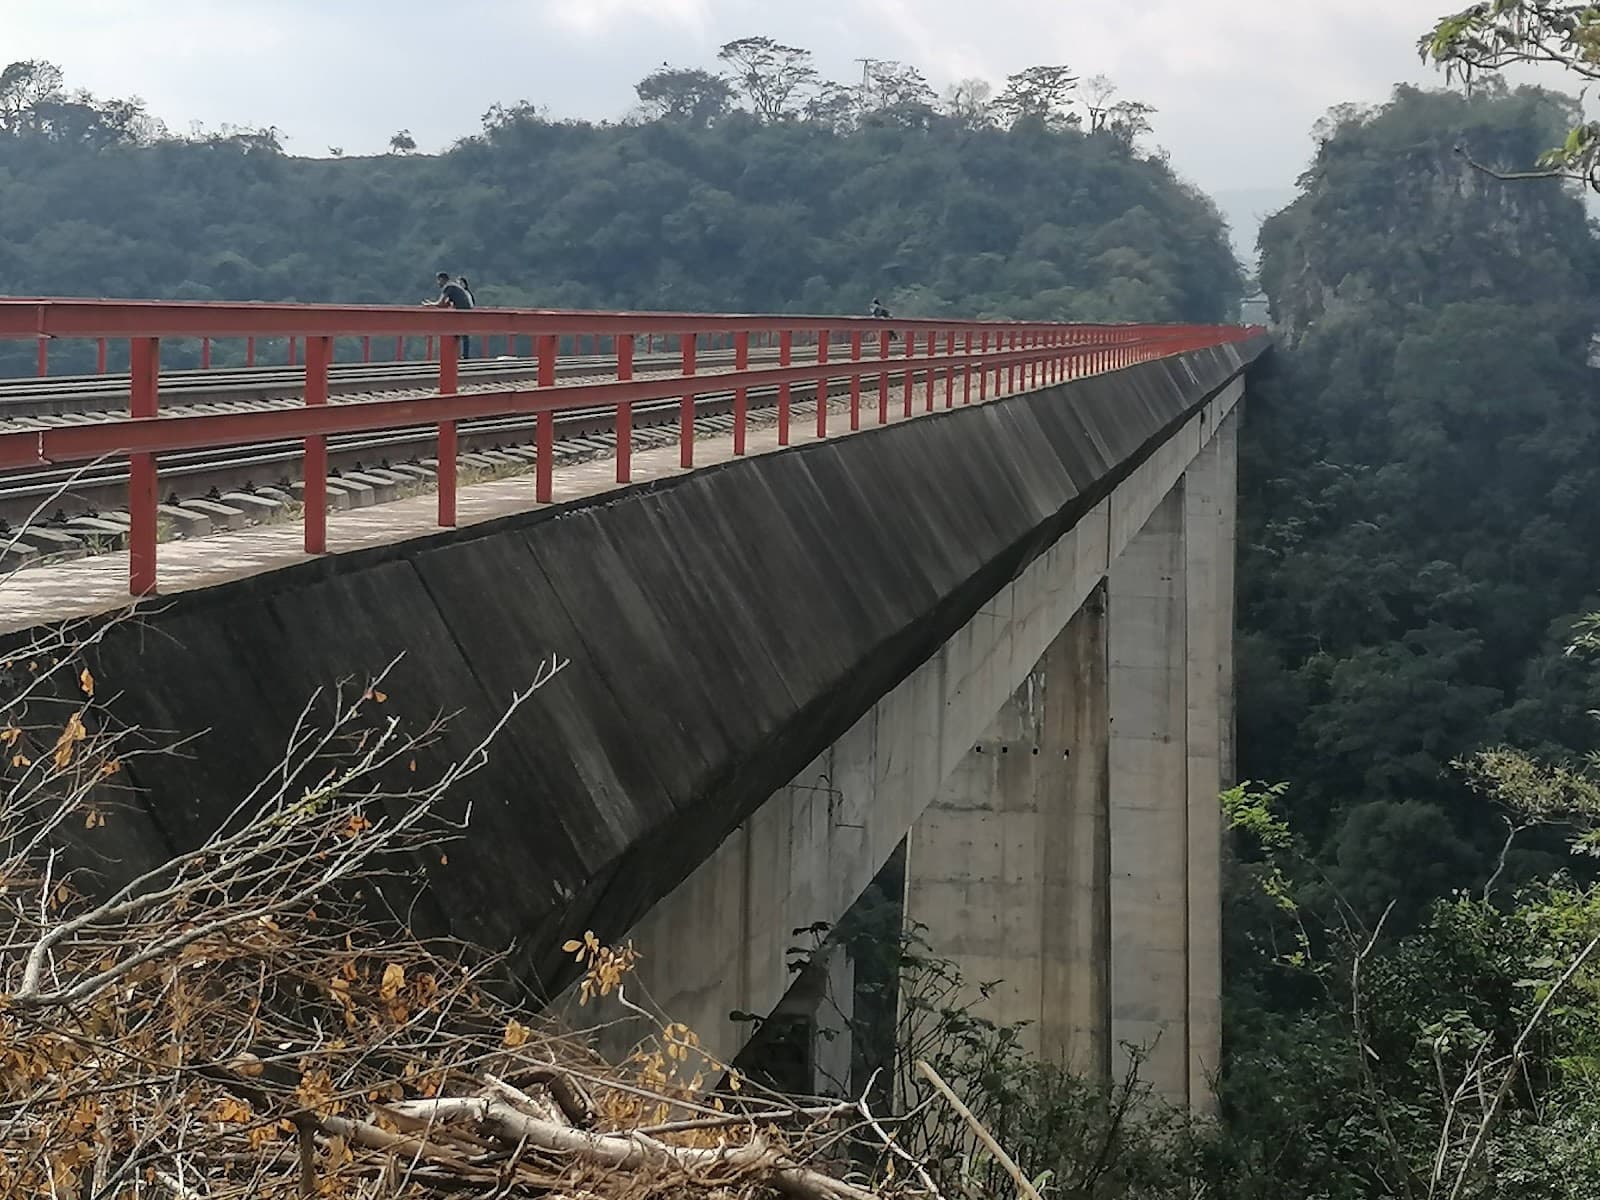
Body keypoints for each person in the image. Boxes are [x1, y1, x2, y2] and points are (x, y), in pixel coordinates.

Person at [424, 271, 473, 359]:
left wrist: (431, 304)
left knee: (455, 332)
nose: (438, 283)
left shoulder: (448, 287)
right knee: (460, 333)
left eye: (438, 281)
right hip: (466, 310)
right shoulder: (453, 286)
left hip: (462, 311)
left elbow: (441, 303)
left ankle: (455, 356)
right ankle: (463, 355)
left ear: (442, 279)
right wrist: (433, 304)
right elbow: (446, 304)